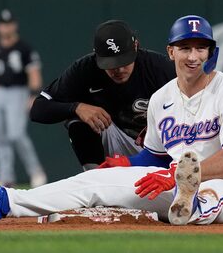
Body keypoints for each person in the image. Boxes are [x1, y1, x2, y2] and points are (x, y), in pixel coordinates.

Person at [0, 14, 223, 226]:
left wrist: (178, 177)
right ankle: (4, 200)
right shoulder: (162, 98)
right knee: (95, 181)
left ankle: (193, 205)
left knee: (211, 195)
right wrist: (127, 165)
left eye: (201, 48)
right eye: (185, 48)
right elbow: (156, 157)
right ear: (172, 52)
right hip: (171, 185)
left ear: (212, 52)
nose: (193, 56)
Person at [30, 19, 176, 170]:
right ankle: (95, 178)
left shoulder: (158, 68)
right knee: (77, 119)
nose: (118, 70)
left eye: (123, 61)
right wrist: (76, 107)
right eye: (111, 64)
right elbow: (38, 109)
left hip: (158, 150)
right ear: (97, 55)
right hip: (117, 142)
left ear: (136, 46)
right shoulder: (85, 69)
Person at [0, 9, 47, 188]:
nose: (6, 27)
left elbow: (34, 74)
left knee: (16, 134)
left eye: (8, 23)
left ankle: (36, 171)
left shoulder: (24, 49)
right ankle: (6, 176)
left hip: (18, 91)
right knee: (0, 137)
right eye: (2, 24)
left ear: (14, 25)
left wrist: (33, 95)